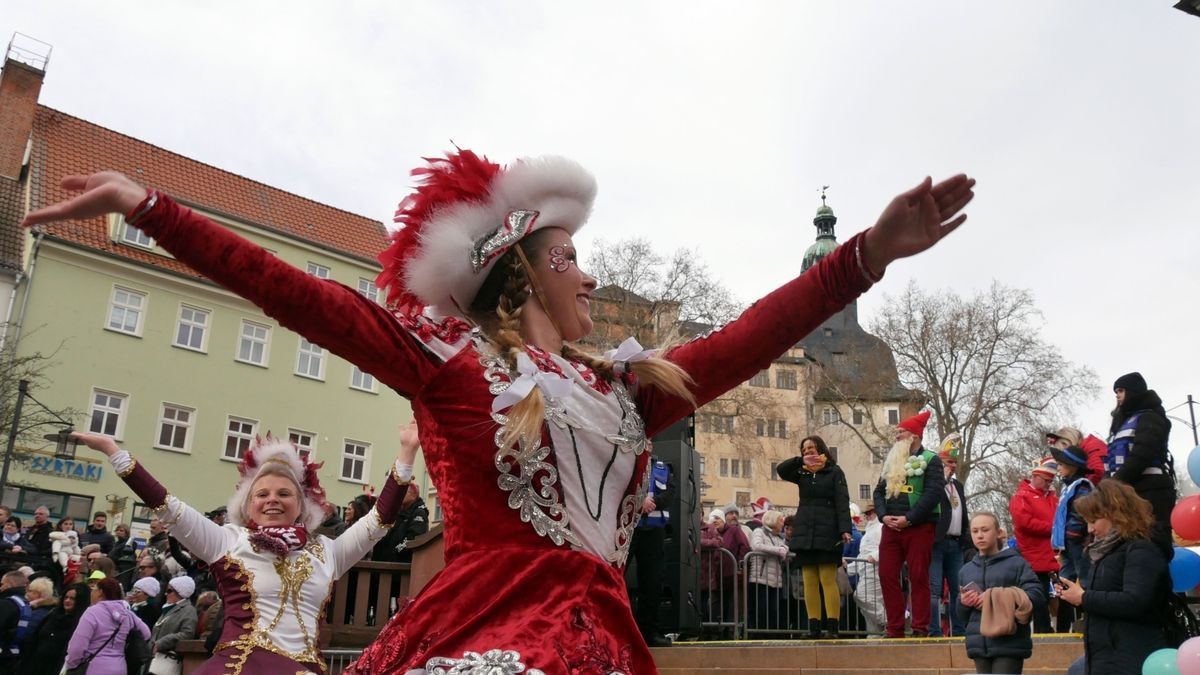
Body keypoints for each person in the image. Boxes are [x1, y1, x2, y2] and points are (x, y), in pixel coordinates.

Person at [24, 154, 973, 673]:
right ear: (520, 274)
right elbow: (302, 296)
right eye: (571, 260)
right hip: (489, 623)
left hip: (600, 628)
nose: (592, 275)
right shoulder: (452, 368)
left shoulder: (628, 387)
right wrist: (151, 209)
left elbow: (751, 338)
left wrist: (867, 255)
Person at [62, 425, 414, 674]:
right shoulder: (228, 540)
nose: (272, 500)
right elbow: (167, 506)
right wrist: (115, 453)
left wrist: (406, 453)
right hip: (244, 667)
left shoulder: (325, 551)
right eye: (262, 494)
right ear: (247, 505)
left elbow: (379, 521)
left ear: (301, 505)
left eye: (284, 493)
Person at [1058, 479, 1170, 675]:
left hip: (1131, 654)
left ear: (1117, 514)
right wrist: (1077, 597)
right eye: (1087, 522)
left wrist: (1084, 598)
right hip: (1108, 654)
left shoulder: (1141, 549)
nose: (1090, 529)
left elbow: (1136, 600)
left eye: (1094, 521)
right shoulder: (1104, 552)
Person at [874, 409, 945, 637]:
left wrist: (910, 518)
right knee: (886, 574)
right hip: (891, 528)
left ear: (914, 435)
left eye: (901, 432)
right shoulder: (892, 461)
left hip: (919, 527)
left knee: (918, 576)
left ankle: (920, 627)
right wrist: (884, 516)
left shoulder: (931, 459)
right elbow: (878, 492)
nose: (897, 436)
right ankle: (894, 627)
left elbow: (933, 493)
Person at [777, 435, 851, 638]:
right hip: (805, 530)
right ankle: (814, 627)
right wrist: (800, 461)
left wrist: (845, 529)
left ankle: (833, 627)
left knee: (827, 579)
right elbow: (781, 470)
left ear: (821, 449)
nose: (808, 451)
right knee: (809, 580)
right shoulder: (801, 472)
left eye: (811, 447)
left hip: (828, 530)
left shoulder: (835, 471)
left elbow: (842, 501)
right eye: (804, 449)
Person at [958, 512, 1043, 674]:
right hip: (978, 644)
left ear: (998, 533)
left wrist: (999, 598)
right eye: (975, 531)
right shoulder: (965, 571)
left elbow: (1037, 596)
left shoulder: (1017, 563)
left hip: (1010, 643)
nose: (980, 535)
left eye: (985, 530)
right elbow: (961, 615)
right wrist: (964, 602)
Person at [1106, 372, 1176, 542]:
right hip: (1128, 493)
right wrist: (1105, 485)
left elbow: (1143, 453)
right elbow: (1111, 459)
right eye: (1116, 392)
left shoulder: (1150, 417)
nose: (1117, 396)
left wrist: (1114, 483)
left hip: (1151, 492)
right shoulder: (1121, 423)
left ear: (1133, 391)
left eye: (1121, 391)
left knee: (1153, 543)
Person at [627, 455, 675, 647]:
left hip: (654, 530)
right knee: (617, 577)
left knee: (652, 581)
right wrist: (640, 500)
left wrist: (651, 500)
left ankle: (649, 632)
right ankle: (618, 627)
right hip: (628, 527)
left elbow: (670, 494)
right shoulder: (628, 460)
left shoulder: (664, 467)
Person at [1008, 457, 1059, 634]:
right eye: (1046, 480)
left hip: (1054, 554)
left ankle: (1058, 628)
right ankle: (1042, 631)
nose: (1049, 484)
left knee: (1060, 595)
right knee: (1040, 596)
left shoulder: (1052, 498)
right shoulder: (1021, 497)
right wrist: (1053, 528)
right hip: (1034, 556)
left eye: (1051, 481)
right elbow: (1024, 523)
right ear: (1035, 476)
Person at [1049, 444, 1094, 634]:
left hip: (1075, 540)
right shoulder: (1068, 487)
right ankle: (1063, 624)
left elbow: (1080, 513)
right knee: (1063, 581)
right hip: (1065, 543)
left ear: (1073, 466)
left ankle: (1087, 617)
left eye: (1061, 464)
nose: (1058, 468)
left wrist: (1073, 534)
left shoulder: (1082, 485)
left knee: (1083, 577)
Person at [64, 577, 150, 675]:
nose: (91, 593)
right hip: (120, 667)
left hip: (93, 667)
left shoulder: (92, 612)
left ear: (100, 592)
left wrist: (72, 665)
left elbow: (78, 646)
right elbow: (146, 633)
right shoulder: (127, 613)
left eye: (94, 590)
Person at [930, 433, 969, 637]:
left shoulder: (958, 486)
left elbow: (964, 515)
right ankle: (934, 631)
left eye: (954, 462)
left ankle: (959, 631)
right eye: (948, 462)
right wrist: (942, 479)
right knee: (934, 590)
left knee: (958, 590)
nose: (952, 466)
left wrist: (966, 540)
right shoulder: (934, 484)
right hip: (936, 543)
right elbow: (931, 500)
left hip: (955, 544)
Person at [18, 582, 90, 675]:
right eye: (66, 597)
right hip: (35, 666)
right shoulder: (52, 615)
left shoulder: (81, 623)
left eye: (72, 599)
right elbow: (35, 639)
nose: (67, 601)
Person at [747, 510, 789, 631]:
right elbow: (756, 545)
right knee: (760, 610)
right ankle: (758, 634)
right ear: (773, 521)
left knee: (773, 610)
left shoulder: (779, 537)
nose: (782, 524)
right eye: (780, 521)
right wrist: (778, 550)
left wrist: (785, 550)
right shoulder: (759, 531)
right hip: (760, 578)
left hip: (776, 580)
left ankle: (771, 634)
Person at [149, 576, 198, 675]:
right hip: (154, 660)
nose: (166, 593)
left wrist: (162, 642)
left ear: (180, 592)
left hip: (167, 661)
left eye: (169, 590)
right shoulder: (169, 609)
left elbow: (187, 634)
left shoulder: (189, 610)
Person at [371, 483, 430, 563]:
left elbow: (413, 537)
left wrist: (395, 552)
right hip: (386, 564)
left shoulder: (419, 513)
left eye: (404, 492)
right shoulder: (398, 512)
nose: (399, 495)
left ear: (414, 495)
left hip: (400, 565)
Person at [852, 502, 887, 636]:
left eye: (869, 513)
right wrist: (847, 567)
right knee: (868, 611)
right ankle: (874, 638)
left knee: (861, 596)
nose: (867, 517)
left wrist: (875, 556)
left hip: (875, 572)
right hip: (866, 572)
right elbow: (863, 556)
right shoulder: (869, 531)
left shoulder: (881, 528)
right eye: (866, 514)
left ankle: (890, 620)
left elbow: (887, 547)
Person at [0, 570, 30, 669]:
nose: (0, 588)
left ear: (9, 584)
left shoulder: (6, 604)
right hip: (12, 655)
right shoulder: (24, 604)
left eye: (2, 584)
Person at [109, 523, 140, 589]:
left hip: (122, 571)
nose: (118, 532)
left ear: (126, 532)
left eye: (121, 530)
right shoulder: (116, 544)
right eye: (117, 530)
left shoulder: (128, 545)